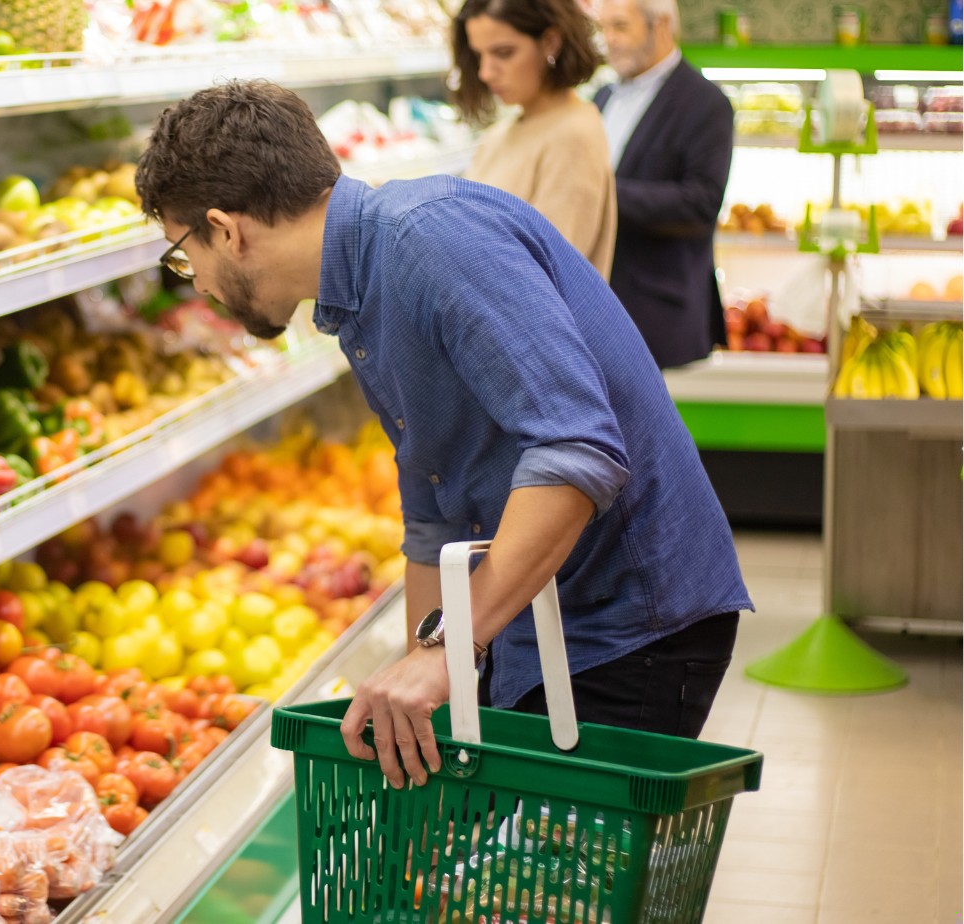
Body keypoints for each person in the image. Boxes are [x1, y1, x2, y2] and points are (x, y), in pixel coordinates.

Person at [134, 81, 750, 789]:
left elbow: (578, 452)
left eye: (184, 255)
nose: (197, 284)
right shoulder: (355, 294)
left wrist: (451, 652)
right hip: (538, 614)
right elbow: (435, 515)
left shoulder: (430, 240)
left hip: (627, 622)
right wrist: (416, 677)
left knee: (565, 889)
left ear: (227, 228)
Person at [595, 0, 734, 369]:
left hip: (659, 317)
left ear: (661, 26)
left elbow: (700, 205)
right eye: (603, 28)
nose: (608, 39)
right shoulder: (602, 96)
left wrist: (600, 193)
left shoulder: (706, 103)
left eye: (620, 27)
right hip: (598, 309)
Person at [454, 0, 616, 279]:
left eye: (503, 53)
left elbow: (545, 272)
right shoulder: (501, 133)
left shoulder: (573, 135)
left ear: (550, 42)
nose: (485, 72)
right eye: (478, 55)